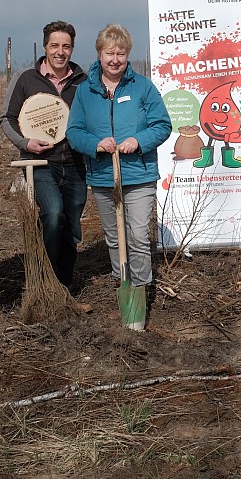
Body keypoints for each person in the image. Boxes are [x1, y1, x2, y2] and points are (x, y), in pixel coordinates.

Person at [66, 24, 171, 293]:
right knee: (114, 237)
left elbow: (162, 125)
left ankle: (141, 287)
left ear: (128, 55)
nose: (115, 60)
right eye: (109, 53)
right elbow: (74, 132)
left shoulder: (143, 87)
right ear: (99, 54)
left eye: (121, 54)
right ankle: (120, 279)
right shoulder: (84, 91)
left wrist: (138, 141)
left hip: (139, 174)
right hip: (103, 175)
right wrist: (96, 144)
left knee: (137, 235)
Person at [1, 21, 88, 288]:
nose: (60, 52)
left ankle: (63, 284)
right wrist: (26, 143)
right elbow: (7, 118)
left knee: (71, 225)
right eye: (54, 45)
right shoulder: (26, 78)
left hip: (75, 163)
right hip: (39, 163)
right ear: (45, 47)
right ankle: (45, 282)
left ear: (72, 48)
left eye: (66, 46)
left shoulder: (83, 82)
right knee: (53, 213)